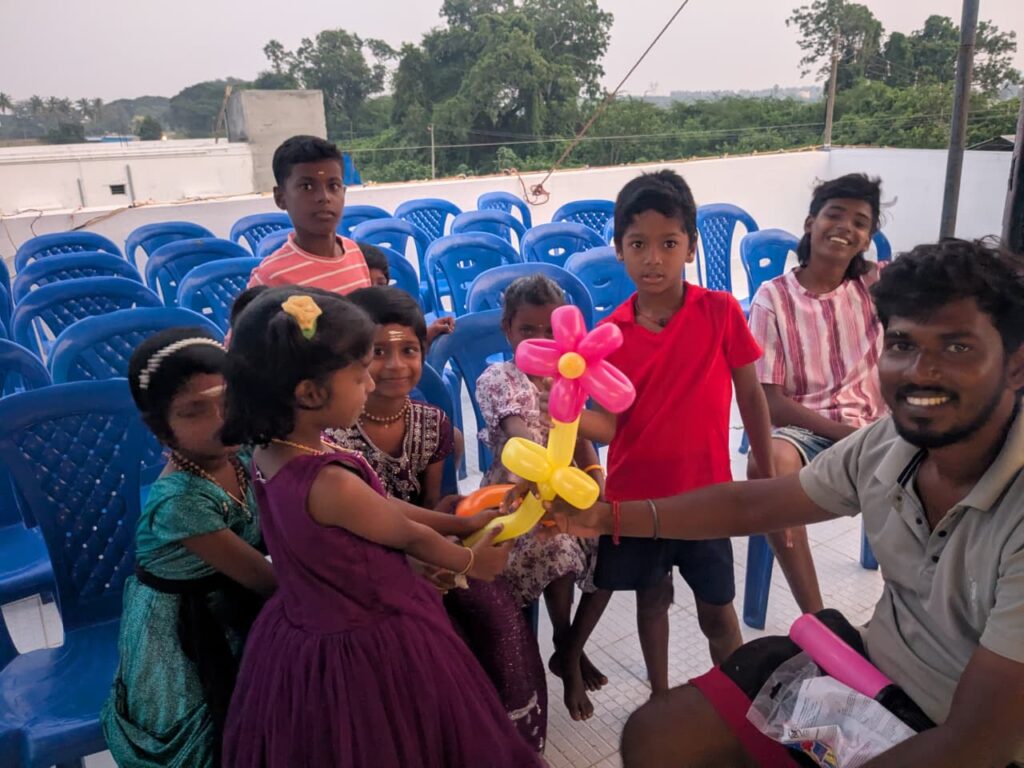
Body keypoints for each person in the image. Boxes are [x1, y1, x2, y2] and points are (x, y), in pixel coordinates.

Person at [548, 239, 1024, 768]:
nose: (920, 371)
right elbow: (753, 506)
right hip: (872, 672)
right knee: (657, 735)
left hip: (963, 732)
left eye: (958, 347)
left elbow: (977, 742)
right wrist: (607, 516)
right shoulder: (889, 443)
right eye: (903, 344)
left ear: (1016, 366)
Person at [220, 286, 541, 767]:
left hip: (304, 625)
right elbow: (406, 534)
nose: (370, 385)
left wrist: (465, 521)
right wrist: (472, 559)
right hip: (367, 640)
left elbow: (386, 505)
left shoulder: (278, 448)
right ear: (309, 392)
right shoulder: (327, 481)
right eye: (358, 375)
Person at [552, 169, 775, 721]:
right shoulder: (610, 334)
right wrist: (564, 414)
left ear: (691, 247)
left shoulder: (720, 312)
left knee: (718, 615)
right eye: (638, 245)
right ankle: (660, 697)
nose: (654, 258)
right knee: (651, 602)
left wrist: (766, 476)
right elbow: (609, 425)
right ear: (619, 251)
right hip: (636, 502)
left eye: (668, 243)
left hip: (708, 500)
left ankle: (739, 706)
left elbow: (751, 395)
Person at [333, 284, 548, 753]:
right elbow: (349, 527)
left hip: (424, 546)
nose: (394, 365)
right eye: (377, 352)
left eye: (408, 349)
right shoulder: (334, 431)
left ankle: (509, 742)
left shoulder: (432, 424)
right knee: (424, 640)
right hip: (356, 567)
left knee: (497, 611)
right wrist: (430, 553)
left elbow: (432, 505)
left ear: (423, 352)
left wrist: (458, 517)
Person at [102, 327, 276, 767]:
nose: (223, 418)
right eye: (195, 411)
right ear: (160, 427)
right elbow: (267, 580)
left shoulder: (241, 453)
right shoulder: (179, 502)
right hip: (189, 635)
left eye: (229, 398)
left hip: (237, 604)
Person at [747, 173, 888, 613]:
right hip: (805, 428)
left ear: (867, 239)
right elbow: (771, 401)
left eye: (860, 222)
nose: (845, 226)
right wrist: (844, 436)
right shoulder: (772, 298)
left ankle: (906, 612)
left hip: (878, 425)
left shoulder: (876, 287)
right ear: (811, 222)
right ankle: (818, 616)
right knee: (764, 464)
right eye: (835, 214)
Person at [475, 274, 607, 704]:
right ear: (507, 330)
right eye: (527, 330)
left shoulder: (568, 377)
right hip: (514, 493)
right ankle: (567, 652)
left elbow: (582, 433)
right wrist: (546, 482)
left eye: (550, 330)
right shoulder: (499, 378)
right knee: (558, 549)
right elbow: (517, 435)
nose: (540, 339)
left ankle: (567, 646)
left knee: (622, 545)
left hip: (564, 487)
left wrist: (594, 475)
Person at [246, 135, 371, 294]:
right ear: (280, 198)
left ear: (344, 192)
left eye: (333, 186)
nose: (324, 197)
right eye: (307, 187)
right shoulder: (270, 279)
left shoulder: (354, 253)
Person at [359, 240, 455, 345]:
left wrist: (430, 334)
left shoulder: (390, 317)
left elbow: (402, 348)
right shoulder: (352, 328)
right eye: (367, 282)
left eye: (381, 284)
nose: (375, 290)